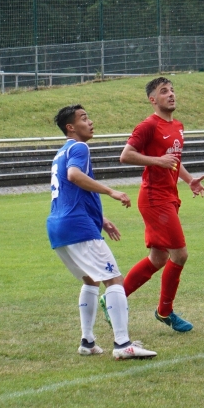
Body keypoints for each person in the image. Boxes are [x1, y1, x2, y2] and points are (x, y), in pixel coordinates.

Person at [48, 104, 157, 360]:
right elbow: (74, 176)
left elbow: (68, 193)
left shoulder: (60, 153)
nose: (91, 122)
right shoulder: (79, 147)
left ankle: (87, 341)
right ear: (71, 128)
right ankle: (123, 344)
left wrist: (101, 219)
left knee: (90, 280)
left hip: (58, 227)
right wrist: (111, 191)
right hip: (77, 226)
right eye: (84, 118)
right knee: (115, 281)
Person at [119, 77, 204, 333]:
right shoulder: (147, 125)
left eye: (172, 90)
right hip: (154, 197)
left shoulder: (177, 125)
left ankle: (114, 299)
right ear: (152, 100)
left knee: (158, 258)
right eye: (164, 91)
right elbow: (126, 155)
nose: (171, 95)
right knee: (179, 254)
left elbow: (173, 160)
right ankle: (164, 311)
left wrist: (189, 179)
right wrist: (156, 161)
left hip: (169, 195)